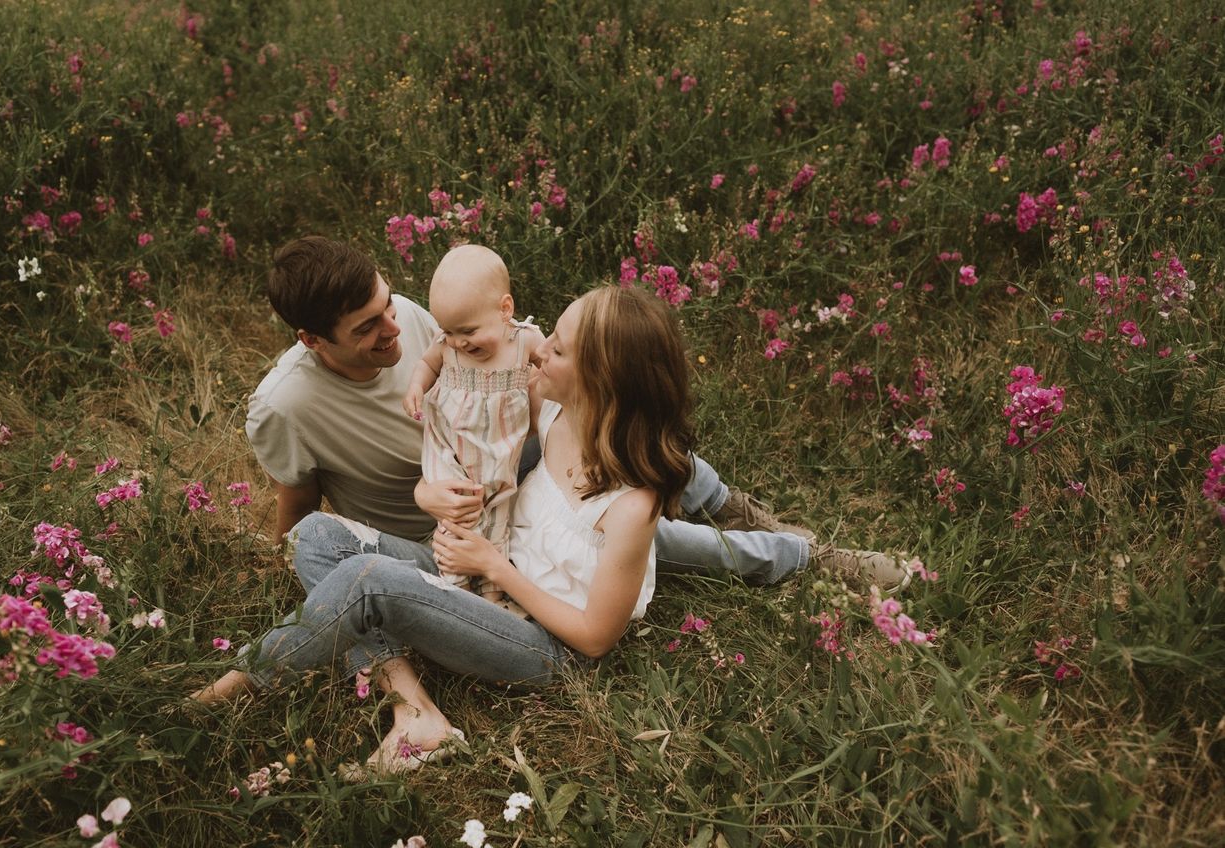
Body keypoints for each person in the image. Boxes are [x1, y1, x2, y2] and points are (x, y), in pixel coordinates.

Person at [195, 286, 696, 775]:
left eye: (558, 348)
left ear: (601, 379)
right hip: (487, 569)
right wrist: (427, 493)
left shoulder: (632, 507)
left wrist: (492, 564)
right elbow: (471, 438)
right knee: (315, 535)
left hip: (544, 645)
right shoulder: (556, 414)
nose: (539, 348)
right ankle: (415, 714)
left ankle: (242, 678)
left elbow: (594, 639)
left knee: (372, 578)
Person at [245, 235, 906, 592]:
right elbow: (299, 505)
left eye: (390, 306)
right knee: (632, 533)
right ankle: (805, 559)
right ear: (312, 338)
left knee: (604, 411)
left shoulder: (408, 318)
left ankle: (725, 500)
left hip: (506, 461)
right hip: (464, 527)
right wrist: (288, 567)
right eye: (368, 328)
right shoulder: (286, 406)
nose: (394, 328)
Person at [402, 245, 544, 600]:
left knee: (496, 515)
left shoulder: (523, 339)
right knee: (458, 514)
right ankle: (455, 586)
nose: (457, 342)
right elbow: (426, 364)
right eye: (447, 331)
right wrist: (416, 387)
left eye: (466, 330)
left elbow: (556, 361)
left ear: (505, 309)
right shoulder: (447, 346)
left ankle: (493, 594)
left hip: (499, 456)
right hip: (450, 446)